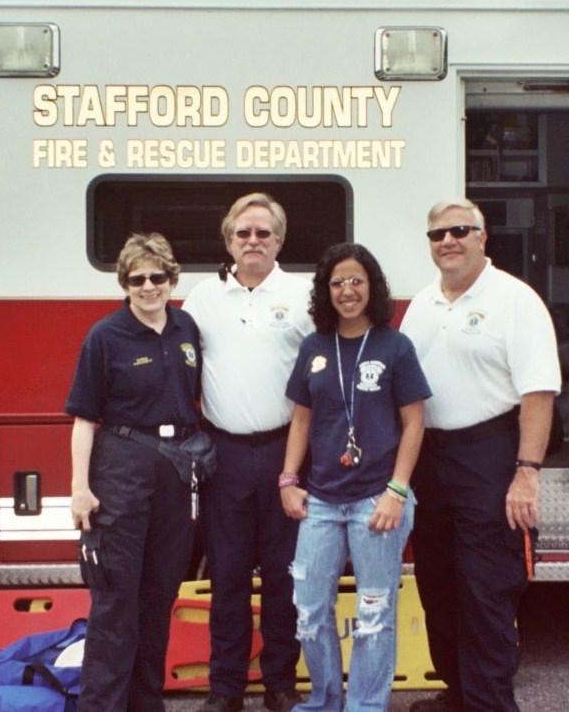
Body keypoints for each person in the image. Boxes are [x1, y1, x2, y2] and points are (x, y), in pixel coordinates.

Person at [400, 199, 562, 712]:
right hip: (431, 458)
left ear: (482, 237)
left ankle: (490, 702)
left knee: (485, 587)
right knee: (437, 580)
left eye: (459, 231)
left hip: (489, 453)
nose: (447, 241)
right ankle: (458, 692)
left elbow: (538, 392)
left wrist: (527, 473)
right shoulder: (424, 303)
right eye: (437, 234)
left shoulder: (516, 300)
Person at [280, 243, 431, 712]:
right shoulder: (314, 347)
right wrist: (288, 480)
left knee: (374, 613)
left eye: (356, 281)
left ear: (372, 287)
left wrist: (397, 490)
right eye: (338, 282)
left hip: (376, 500)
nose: (347, 291)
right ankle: (324, 701)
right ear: (326, 292)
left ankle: (365, 705)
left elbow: (415, 422)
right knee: (308, 610)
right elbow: (301, 420)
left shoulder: (394, 345)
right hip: (321, 501)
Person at [183, 193, 313, 712]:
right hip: (225, 454)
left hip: (287, 453)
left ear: (279, 240)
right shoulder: (202, 298)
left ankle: (280, 682)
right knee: (229, 576)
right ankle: (225, 688)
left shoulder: (303, 295)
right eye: (243, 234)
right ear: (229, 241)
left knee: (285, 575)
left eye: (263, 233)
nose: (253, 241)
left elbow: (324, 374)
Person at [66, 233, 201, 712]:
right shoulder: (105, 336)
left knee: (158, 596)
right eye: (137, 279)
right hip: (121, 469)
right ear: (124, 283)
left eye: (157, 277)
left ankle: (147, 704)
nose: (148, 287)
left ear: (171, 279)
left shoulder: (187, 329)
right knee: (115, 602)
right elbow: (85, 419)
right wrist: (80, 490)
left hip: (175, 470)